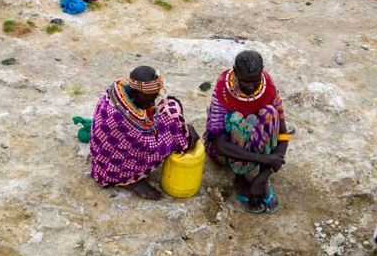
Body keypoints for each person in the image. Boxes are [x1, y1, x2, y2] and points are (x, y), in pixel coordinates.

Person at [89, 66, 199, 200]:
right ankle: (131, 180)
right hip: (112, 161)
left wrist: (184, 127)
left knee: (171, 106)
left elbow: (150, 117)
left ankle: (176, 131)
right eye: (149, 99)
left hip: (133, 131)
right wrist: (180, 132)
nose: (153, 103)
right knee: (164, 142)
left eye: (154, 98)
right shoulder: (117, 116)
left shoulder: (123, 92)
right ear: (134, 93)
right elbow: (147, 144)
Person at [205, 50, 290, 213]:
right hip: (227, 153)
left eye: (255, 81)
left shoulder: (269, 91)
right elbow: (220, 146)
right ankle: (240, 179)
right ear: (235, 71)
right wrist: (265, 159)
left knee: (271, 113)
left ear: (262, 72)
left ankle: (261, 180)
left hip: (255, 146)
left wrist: (263, 176)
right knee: (234, 119)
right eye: (244, 81)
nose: (250, 87)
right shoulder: (223, 93)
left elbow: (283, 135)